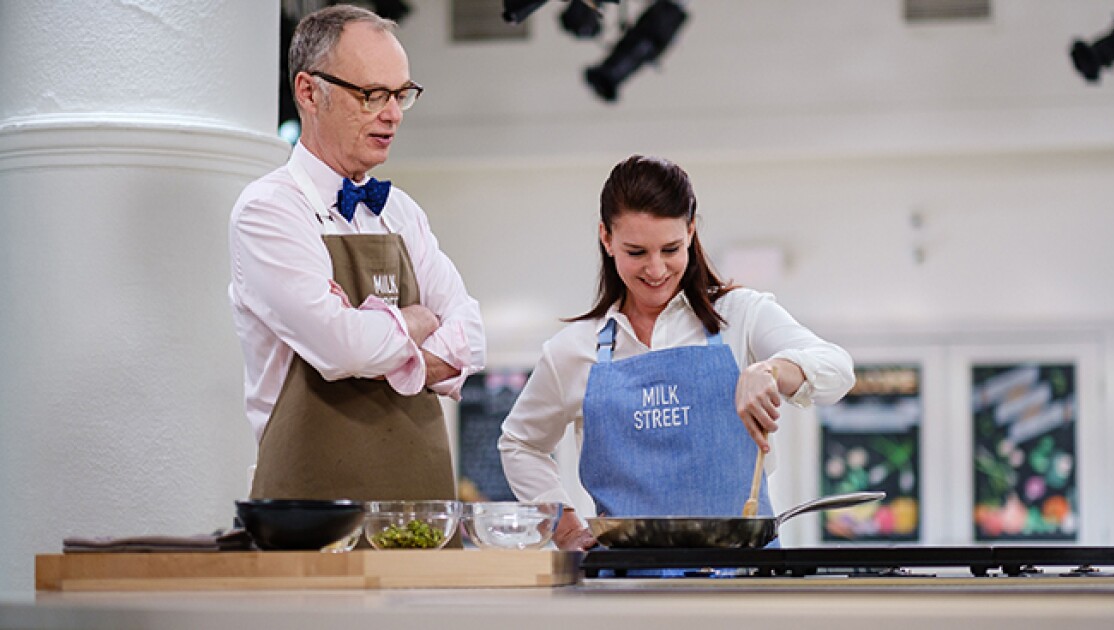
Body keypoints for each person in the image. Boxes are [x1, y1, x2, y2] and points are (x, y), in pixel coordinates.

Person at [498, 155, 854, 550]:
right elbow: (520, 443)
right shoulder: (572, 350)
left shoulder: (741, 315)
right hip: (625, 583)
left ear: (691, 231)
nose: (656, 269)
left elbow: (838, 370)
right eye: (636, 252)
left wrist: (772, 370)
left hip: (743, 577)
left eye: (671, 249)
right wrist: (563, 526)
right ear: (606, 238)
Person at [228, 4, 485, 504]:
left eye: (401, 94)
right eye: (372, 95)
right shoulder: (269, 210)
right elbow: (340, 345)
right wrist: (415, 322)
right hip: (310, 512)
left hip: (421, 504)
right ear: (308, 92)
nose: (391, 113)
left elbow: (471, 337)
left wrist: (379, 347)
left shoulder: (403, 213)